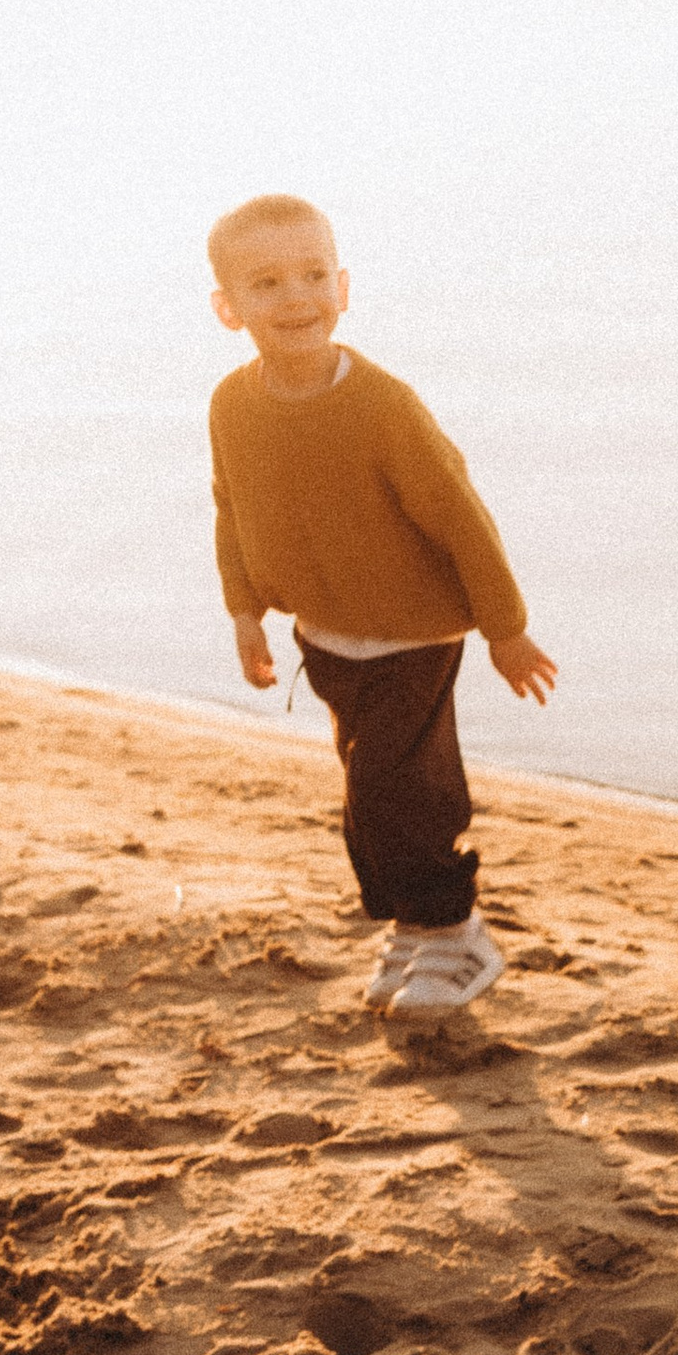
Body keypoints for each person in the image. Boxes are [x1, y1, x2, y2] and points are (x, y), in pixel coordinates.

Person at [206, 193, 557, 1018]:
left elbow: (460, 516)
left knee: (403, 792)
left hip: (414, 635)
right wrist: (245, 611)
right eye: (266, 283)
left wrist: (505, 630)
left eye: (313, 275)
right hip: (325, 638)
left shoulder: (383, 406)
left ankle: (457, 933)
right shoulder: (232, 404)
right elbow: (232, 506)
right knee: (367, 805)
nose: (296, 297)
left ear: (344, 287)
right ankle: (415, 924)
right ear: (229, 308)